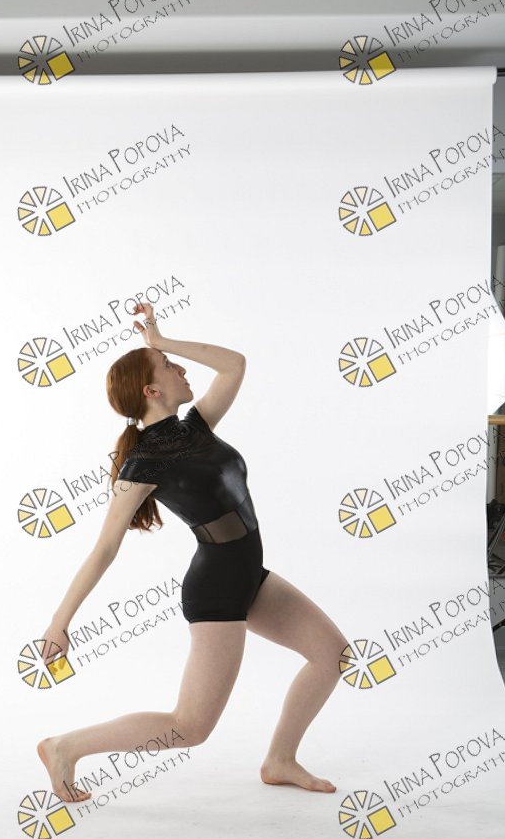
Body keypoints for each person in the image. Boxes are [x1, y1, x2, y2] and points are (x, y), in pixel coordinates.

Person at [37, 302, 349, 803]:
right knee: (189, 726)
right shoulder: (142, 463)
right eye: (168, 366)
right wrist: (59, 622)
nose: (182, 369)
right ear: (151, 391)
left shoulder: (196, 427)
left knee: (332, 656)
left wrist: (161, 341)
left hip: (250, 576)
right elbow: (105, 548)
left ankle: (280, 760)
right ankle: (64, 747)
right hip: (216, 589)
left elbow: (235, 364)